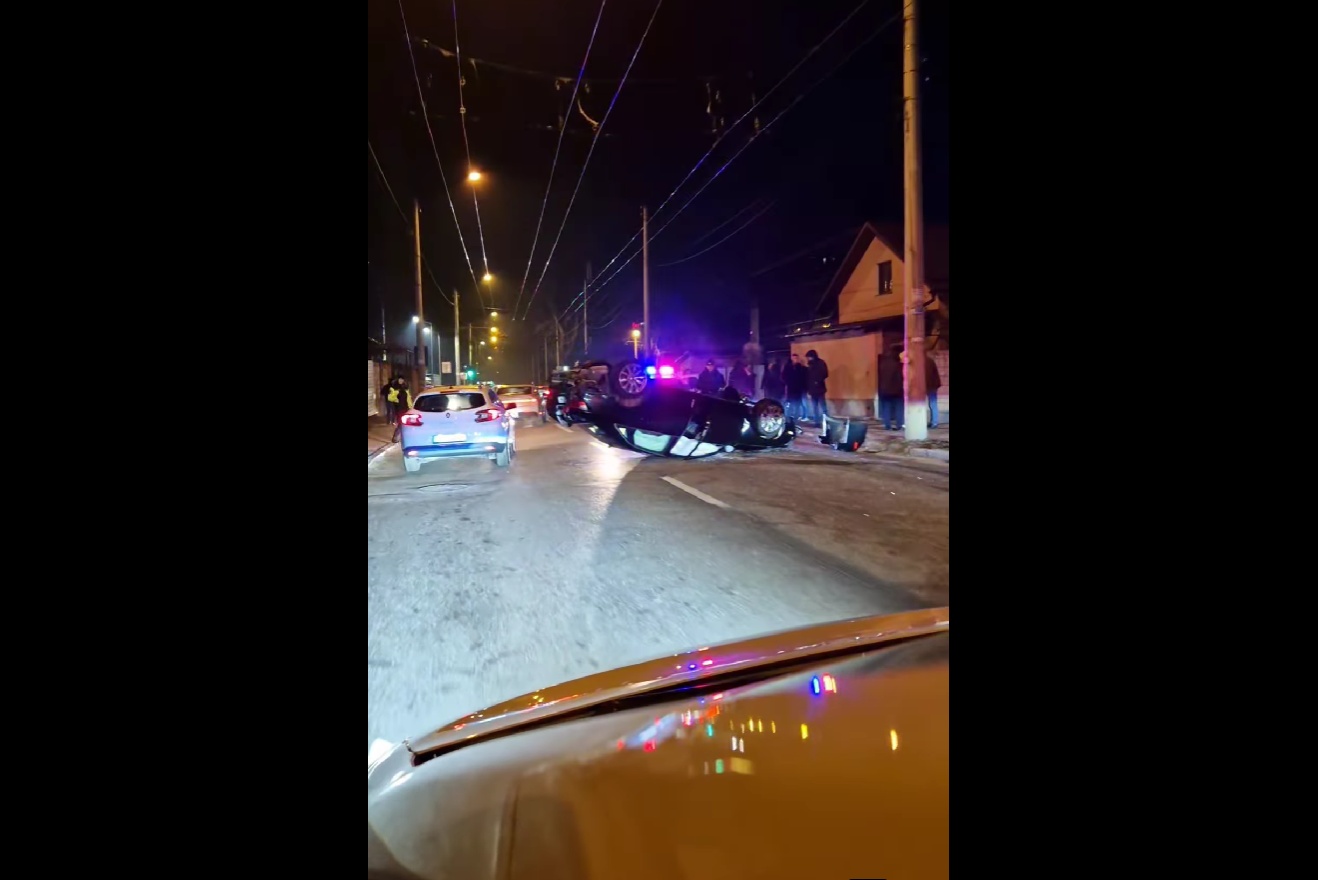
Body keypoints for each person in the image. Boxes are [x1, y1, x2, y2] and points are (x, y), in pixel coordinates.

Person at [877, 344, 904, 430]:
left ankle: (887, 425)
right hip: (896, 389)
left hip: (884, 389)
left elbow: (880, 376)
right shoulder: (898, 364)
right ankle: (900, 424)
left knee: (886, 407)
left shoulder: (883, 362)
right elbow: (899, 377)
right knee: (899, 407)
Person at [805, 349, 829, 424]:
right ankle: (816, 421)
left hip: (819, 388)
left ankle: (827, 420)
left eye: (809, 357)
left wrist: (818, 381)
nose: (808, 359)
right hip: (812, 389)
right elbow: (808, 377)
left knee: (823, 405)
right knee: (815, 406)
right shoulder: (809, 365)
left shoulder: (820, 363)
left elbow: (825, 373)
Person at [784, 352, 808, 420]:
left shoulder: (800, 367)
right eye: (794, 358)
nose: (795, 359)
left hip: (798, 388)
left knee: (797, 403)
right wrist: (788, 382)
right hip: (791, 388)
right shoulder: (788, 367)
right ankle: (788, 416)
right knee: (790, 403)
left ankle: (796, 416)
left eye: (796, 358)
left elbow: (803, 377)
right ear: (792, 359)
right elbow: (784, 376)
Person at [389, 378, 412, 442]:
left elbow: (408, 398)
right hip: (399, 408)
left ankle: (404, 437)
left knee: (406, 423)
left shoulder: (405, 388)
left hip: (406, 408)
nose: (401, 381)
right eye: (400, 380)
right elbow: (390, 398)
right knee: (401, 423)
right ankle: (395, 437)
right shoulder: (394, 388)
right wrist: (397, 400)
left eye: (402, 380)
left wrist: (410, 406)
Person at [925, 352, 942, 428]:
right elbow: (935, 374)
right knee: (933, 404)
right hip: (932, 386)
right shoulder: (930, 361)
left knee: (922, 404)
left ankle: (933, 422)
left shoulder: (918, 362)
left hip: (924, 386)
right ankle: (934, 422)